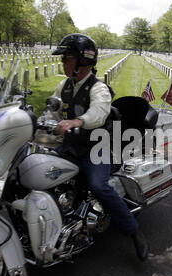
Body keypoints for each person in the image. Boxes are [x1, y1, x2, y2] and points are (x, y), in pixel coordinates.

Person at [50, 33, 149, 261]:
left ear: (83, 61)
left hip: (96, 148)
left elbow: (98, 113)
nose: (62, 62)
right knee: (39, 171)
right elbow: (52, 110)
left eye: (66, 58)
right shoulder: (63, 85)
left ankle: (134, 232)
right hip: (69, 148)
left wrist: (78, 121)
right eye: (63, 58)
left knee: (98, 185)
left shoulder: (98, 89)